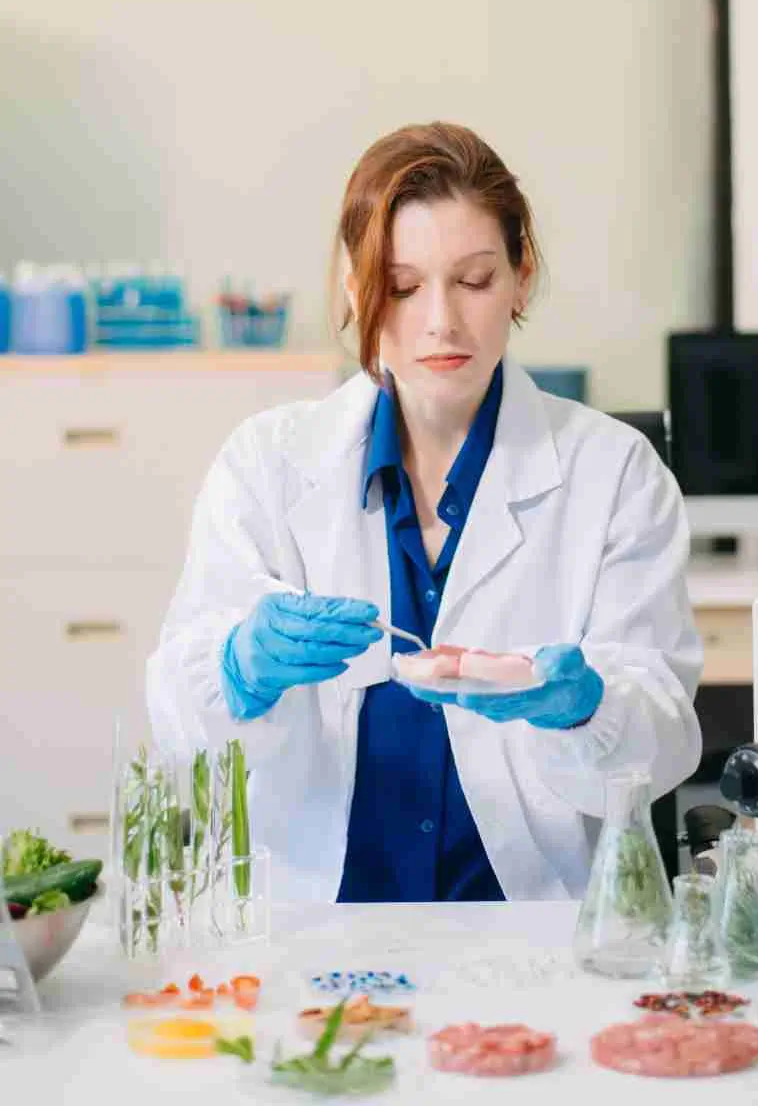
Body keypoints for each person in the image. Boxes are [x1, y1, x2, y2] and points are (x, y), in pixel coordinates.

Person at [146, 122, 703, 902]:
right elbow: (177, 711)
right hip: (319, 926)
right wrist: (240, 668)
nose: (441, 321)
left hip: (531, 924)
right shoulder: (267, 464)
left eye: (474, 280)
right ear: (356, 290)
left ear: (521, 276)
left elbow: (665, 736)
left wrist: (585, 708)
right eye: (404, 287)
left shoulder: (613, 473)